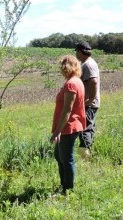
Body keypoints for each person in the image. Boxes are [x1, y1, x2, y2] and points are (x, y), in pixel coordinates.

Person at [50, 55, 86, 195]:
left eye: (62, 66)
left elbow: (67, 110)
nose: (61, 69)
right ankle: (64, 185)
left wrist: (57, 131)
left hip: (68, 127)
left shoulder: (71, 84)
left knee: (66, 159)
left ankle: (67, 190)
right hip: (69, 126)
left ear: (67, 67)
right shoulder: (77, 81)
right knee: (59, 156)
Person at [75, 41, 100, 159]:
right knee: (88, 128)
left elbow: (94, 81)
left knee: (85, 129)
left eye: (76, 51)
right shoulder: (87, 63)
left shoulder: (88, 65)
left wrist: (90, 100)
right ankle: (87, 154)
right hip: (89, 103)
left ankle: (84, 157)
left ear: (80, 52)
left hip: (89, 104)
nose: (76, 54)